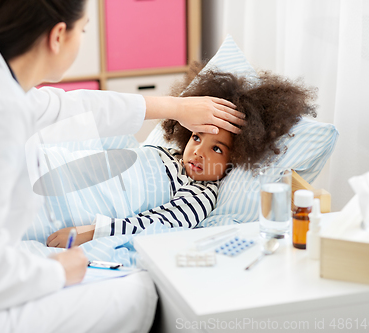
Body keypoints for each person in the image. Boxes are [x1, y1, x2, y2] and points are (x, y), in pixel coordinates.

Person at [0, 1, 246, 332]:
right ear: (59, 36)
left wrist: (177, 107)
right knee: (139, 295)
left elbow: (70, 107)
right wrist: (57, 271)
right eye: (84, 29)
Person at [47, 63, 317, 248]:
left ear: (236, 159)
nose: (199, 151)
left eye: (217, 148)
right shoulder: (168, 152)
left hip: (80, 199)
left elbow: (159, 223)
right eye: (197, 137)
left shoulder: (201, 193)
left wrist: (89, 233)